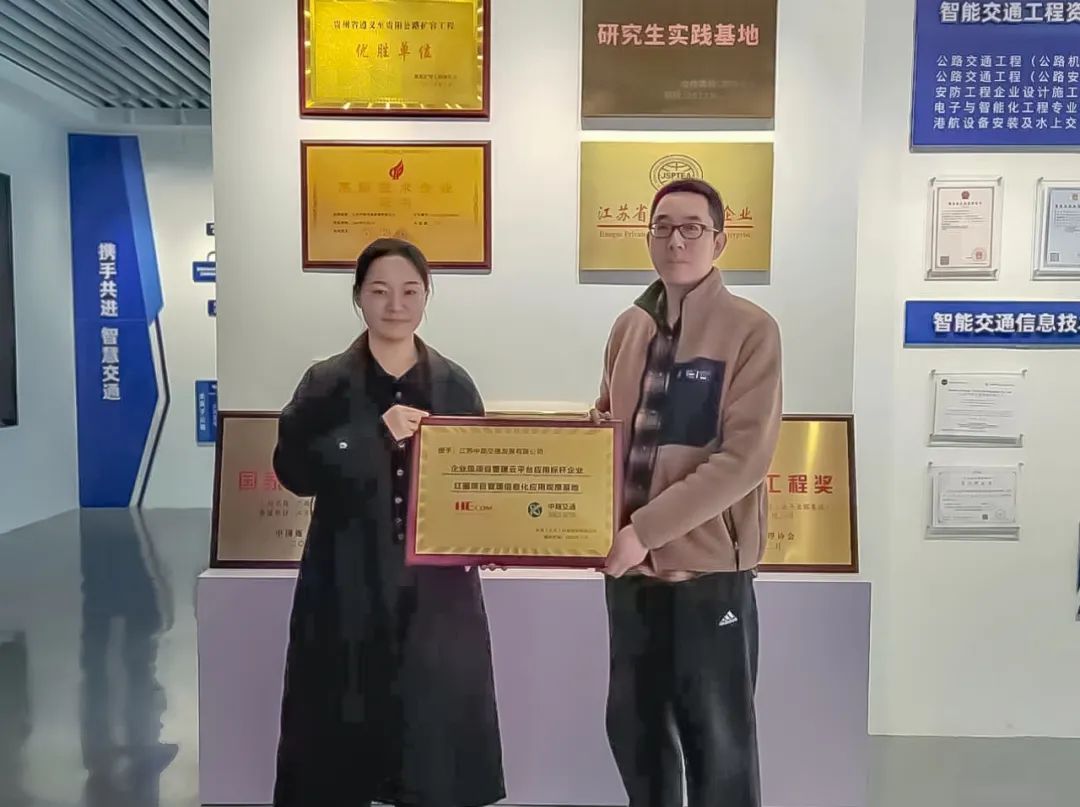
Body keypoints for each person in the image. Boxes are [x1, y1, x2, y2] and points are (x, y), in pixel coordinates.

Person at [271, 238, 505, 807]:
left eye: (409, 291)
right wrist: (373, 435)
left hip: (438, 591)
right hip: (345, 580)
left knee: (435, 740)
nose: (395, 305)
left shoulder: (454, 384)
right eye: (379, 291)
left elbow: (478, 480)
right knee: (337, 731)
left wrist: (496, 533)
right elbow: (293, 470)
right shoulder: (324, 382)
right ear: (358, 297)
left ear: (427, 296)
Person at [592, 179, 783, 807]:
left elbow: (743, 461)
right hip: (631, 578)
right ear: (648, 237)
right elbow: (606, 430)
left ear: (719, 241)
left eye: (692, 228)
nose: (676, 240)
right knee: (636, 737)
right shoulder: (628, 328)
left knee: (719, 749)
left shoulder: (751, 330)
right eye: (663, 227)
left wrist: (644, 531)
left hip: (706, 580)